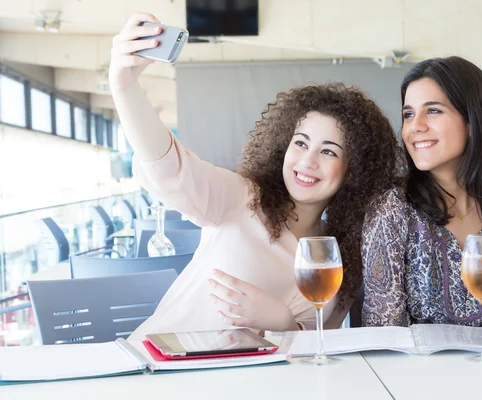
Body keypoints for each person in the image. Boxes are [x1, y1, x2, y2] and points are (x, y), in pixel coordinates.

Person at [109, 13, 403, 339]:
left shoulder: (339, 258)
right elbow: (169, 169)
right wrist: (124, 87)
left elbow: (321, 348)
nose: (307, 161)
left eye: (329, 151)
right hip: (158, 370)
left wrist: (284, 322)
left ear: (356, 171)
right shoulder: (240, 198)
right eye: (301, 143)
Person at [362, 56, 482, 327]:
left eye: (432, 111)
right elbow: (384, 326)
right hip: (410, 369)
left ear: (471, 121)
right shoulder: (393, 209)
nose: (416, 126)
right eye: (408, 114)